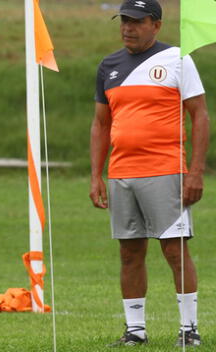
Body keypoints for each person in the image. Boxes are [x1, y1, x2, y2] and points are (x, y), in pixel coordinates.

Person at [89, 0, 210, 347]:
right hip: (122, 174)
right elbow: (100, 124)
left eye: (136, 22)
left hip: (166, 170)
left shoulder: (177, 59)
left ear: (155, 25)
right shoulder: (108, 66)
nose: (128, 27)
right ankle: (135, 331)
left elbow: (200, 115)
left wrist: (195, 171)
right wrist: (96, 175)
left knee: (174, 251)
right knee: (129, 253)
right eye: (124, 21)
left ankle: (189, 329)